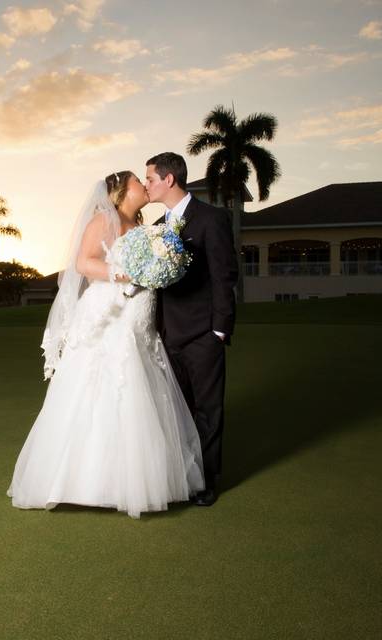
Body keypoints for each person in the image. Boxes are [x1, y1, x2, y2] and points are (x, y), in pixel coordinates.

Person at [7, 171, 204, 518]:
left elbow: (155, 261)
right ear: (120, 191)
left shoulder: (146, 225)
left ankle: (140, 478)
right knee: (102, 378)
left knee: (142, 378)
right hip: (109, 310)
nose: (144, 185)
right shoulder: (104, 220)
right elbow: (84, 263)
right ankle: (83, 482)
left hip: (141, 309)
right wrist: (128, 273)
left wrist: (161, 268)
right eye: (137, 181)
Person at [145, 152, 238, 506]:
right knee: (178, 413)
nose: (147, 185)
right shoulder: (155, 230)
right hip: (169, 336)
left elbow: (224, 276)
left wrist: (219, 331)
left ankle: (206, 483)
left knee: (207, 410)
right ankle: (184, 477)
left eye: (150, 178)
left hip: (203, 335)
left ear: (169, 179)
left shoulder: (211, 219)